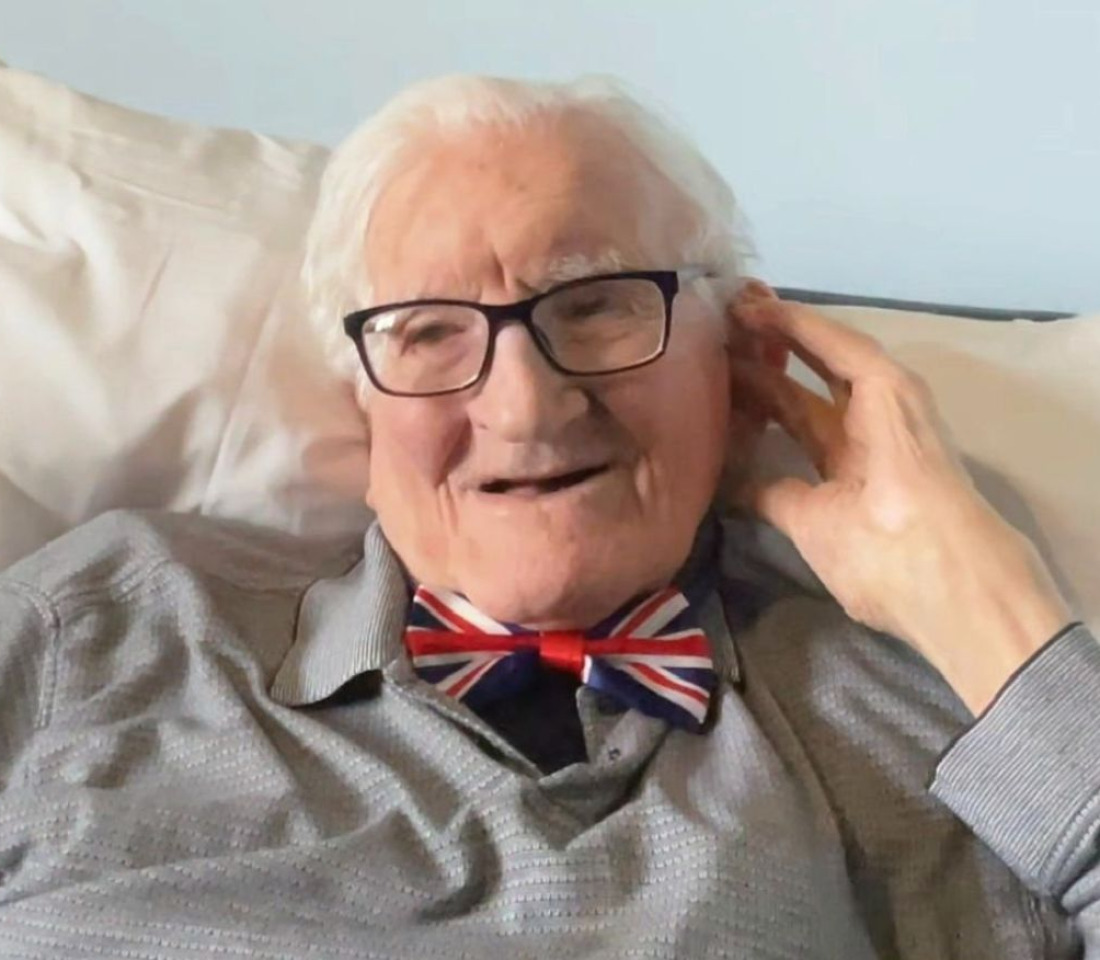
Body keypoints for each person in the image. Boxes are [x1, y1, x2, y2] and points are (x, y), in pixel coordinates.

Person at [0, 74, 1095, 959]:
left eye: (597, 305)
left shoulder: (925, 707)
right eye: (428, 332)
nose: (523, 406)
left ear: (741, 357)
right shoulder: (105, 626)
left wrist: (973, 593)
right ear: (358, 400)